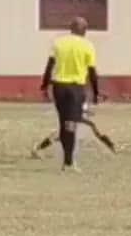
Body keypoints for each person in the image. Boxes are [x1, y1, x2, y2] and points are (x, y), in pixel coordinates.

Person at [40, 17, 100, 171]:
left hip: (59, 87)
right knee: (71, 124)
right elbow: (92, 71)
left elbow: (50, 65)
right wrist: (96, 92)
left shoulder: (59, 42)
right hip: (76, 88)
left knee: (63, 122)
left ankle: (66, 160)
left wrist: (45, 85)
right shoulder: (88, 46)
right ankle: (68, 162)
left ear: (70, 28)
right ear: (85, 31)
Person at [31, 100, 117, 158]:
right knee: (61, 136)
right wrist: (86, 112)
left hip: (77, 119)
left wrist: (86, 113)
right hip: (73, 119)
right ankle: (38, 148)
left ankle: (110, 145)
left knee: (62, 136)